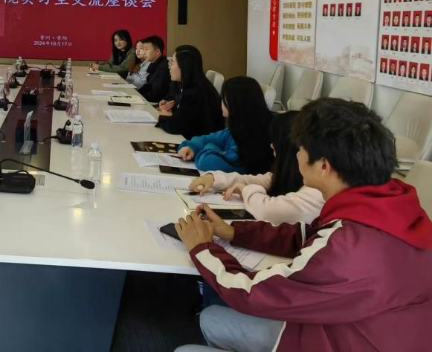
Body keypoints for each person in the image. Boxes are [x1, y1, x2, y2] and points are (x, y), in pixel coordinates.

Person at [174, 99, 432, 352]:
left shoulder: (347, 249)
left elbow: (250, 293)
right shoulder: (391, 205)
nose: (296, 154)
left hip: (342, 339)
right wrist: (234, 232)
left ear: (323, 166)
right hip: (353, 330)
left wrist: (202, 248)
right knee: (211, 318)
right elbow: (310, 235)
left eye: (300, 149)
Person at [188, 112, 323, 225]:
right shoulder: (292, 174)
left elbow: (268, 210)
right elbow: (256, 180)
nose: (271, 145)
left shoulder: (316, 191)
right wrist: (213, 178)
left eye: (275, 141)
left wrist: (244, 190)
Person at [176, 76, 273, 174]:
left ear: (234, 103)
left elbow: (206, 161)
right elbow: (208, 139)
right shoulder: (239, 127)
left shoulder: (250, 138)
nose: (221, 102)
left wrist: (210, 146)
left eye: (223, 98)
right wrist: (192, 147)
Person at [156, 47, 223, 140]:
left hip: (200, 143)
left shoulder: (196, 91)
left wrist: (165, 115)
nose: (169, 66)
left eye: (172, 62)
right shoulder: (185, 82)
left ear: (184, 66)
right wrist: (168, 107)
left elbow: (176, 126)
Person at [137, 36, 170, 102]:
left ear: (157, 52)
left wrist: (138, 97)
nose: (144, 53)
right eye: (143, 49)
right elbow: (148, 85)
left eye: (146, 49)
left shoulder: (163, 68)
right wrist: (136, 94)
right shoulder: (153, 63)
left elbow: (155, 94)